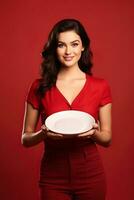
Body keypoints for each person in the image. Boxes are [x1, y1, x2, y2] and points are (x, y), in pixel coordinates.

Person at [21, 18, 112, 200]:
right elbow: (26, 138)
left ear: (83, 46)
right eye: (62, 45)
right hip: (52, 176)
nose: (68, 51)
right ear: (54, 48)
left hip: (90, 175)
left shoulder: (100, 86)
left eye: (74, 44)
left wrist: (93, 133)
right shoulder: (39, 87)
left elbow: (107, 138)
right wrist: (43, 134)